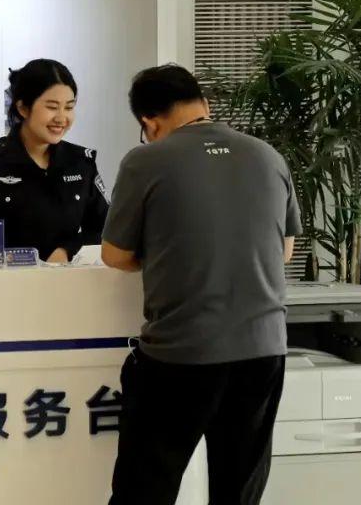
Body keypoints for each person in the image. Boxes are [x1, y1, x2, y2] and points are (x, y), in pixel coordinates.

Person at [101, 64, 301, 505]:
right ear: (204, 104)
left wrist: (167, 255)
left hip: (181, 353)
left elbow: (114, 254)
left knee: (144, 490)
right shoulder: (267, 155)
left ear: (149, 123)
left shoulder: (145, 160)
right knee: (238, 491)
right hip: (263, 350)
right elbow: (284, 250)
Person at [0, 59, 109, 262]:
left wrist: (67, 250)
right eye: (52, 107)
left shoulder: (81, 162)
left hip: (66, 278)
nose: (62, 118)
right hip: (4, 280)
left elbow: (106, 229)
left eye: (69, 107)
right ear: (23, 108)